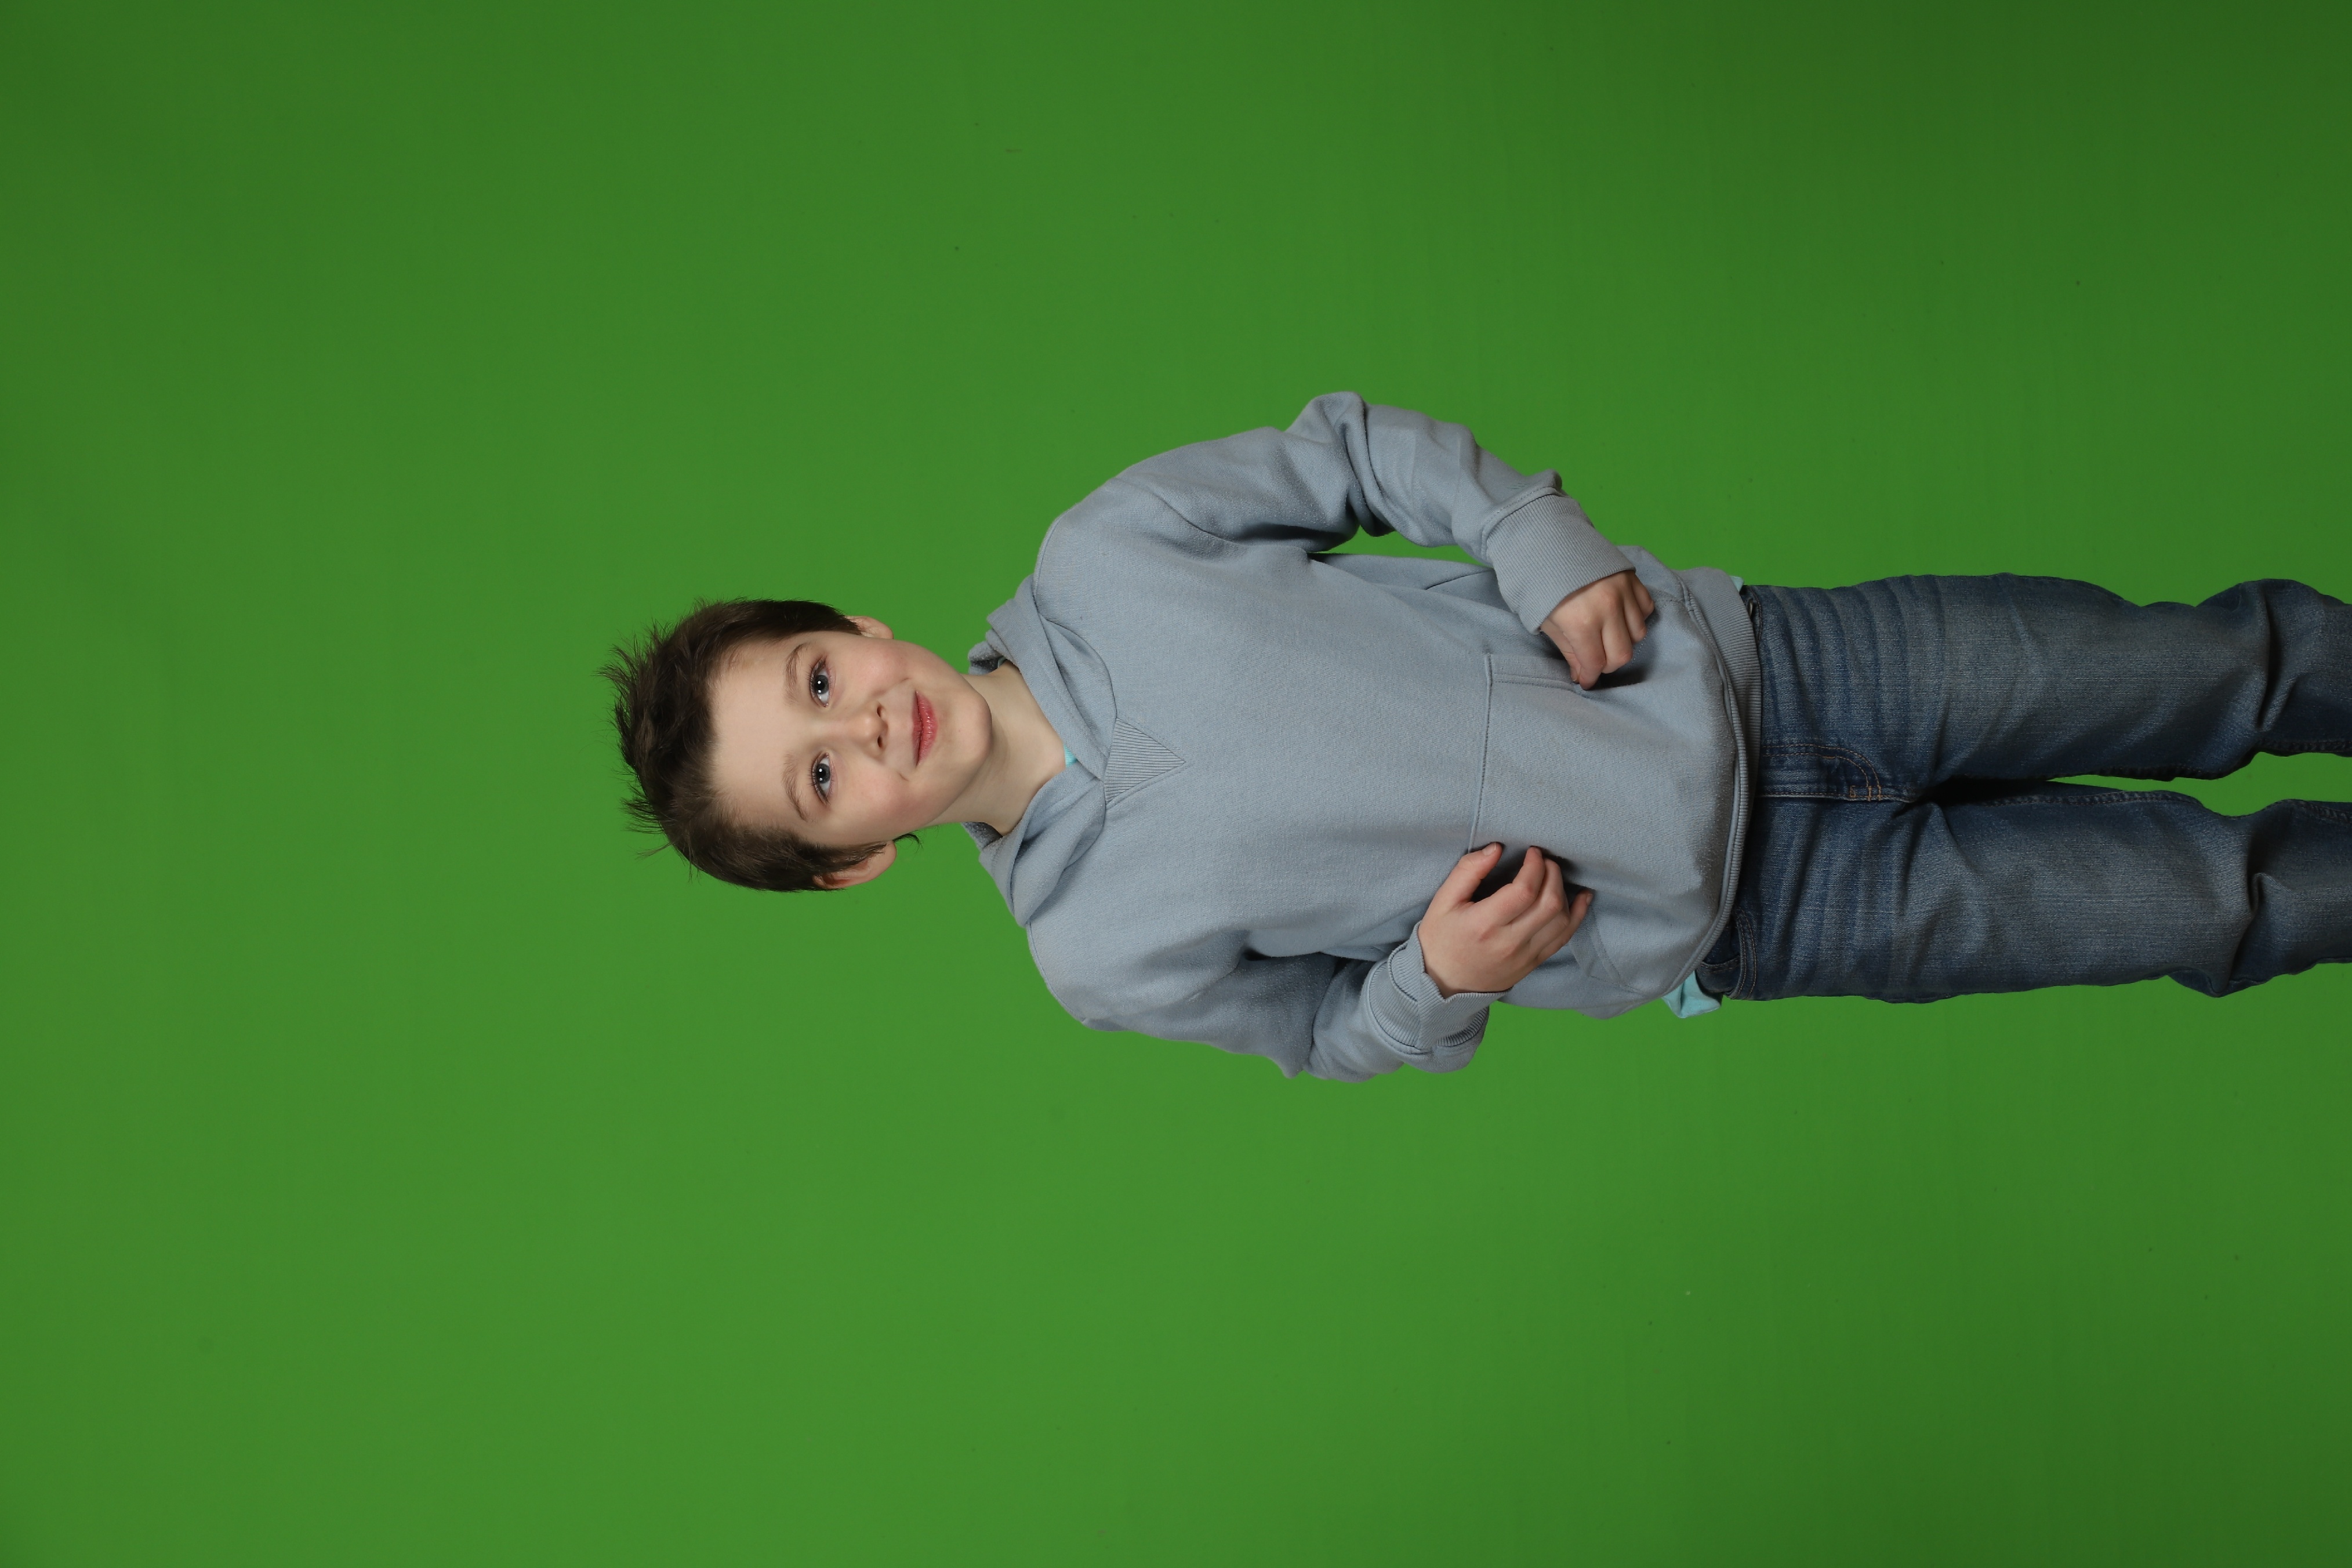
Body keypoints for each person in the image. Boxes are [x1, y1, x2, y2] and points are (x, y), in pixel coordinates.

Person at [604, 394, 2352, 1081]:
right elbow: (1329, 1037)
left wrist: (1540, 545)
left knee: (2220, 668)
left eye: (817, 680)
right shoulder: (1095, 954)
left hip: (1777, 671)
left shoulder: (1107, 552)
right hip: (1763, 919)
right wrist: (1433, 981)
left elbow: (1354, 451)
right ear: (851, 859)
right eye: (819, 776)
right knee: (2216, 907)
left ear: (859, 629)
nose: (861, 725)